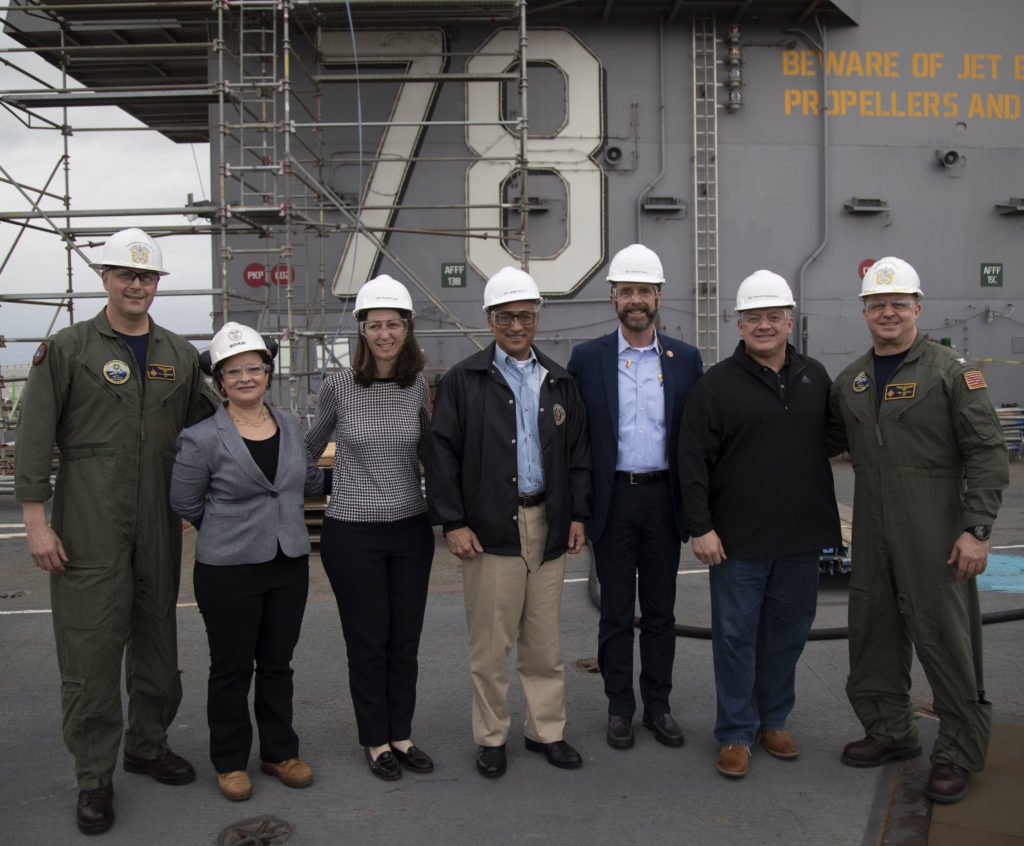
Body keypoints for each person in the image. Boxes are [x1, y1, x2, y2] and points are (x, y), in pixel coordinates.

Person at [13, 228, 218, 835]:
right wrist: (35, 523)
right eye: (125, 275)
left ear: (157, 285)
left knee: (157, 639)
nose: (136, 285)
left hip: (158, 519)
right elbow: (33, 437)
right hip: (86, 521)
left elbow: (212, 425)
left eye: (147, 276)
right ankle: (94, 775)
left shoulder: (178, 354)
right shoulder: (68, 349)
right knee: (91, 648)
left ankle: (146, 745)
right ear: (105, 278)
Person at [830, 257, 1009, 804]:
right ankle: (890, 732)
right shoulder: (851, 380)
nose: (887, 312)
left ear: (917, 308)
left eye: (897, 303)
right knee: (874, 631)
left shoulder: (953, 373)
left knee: (945, 639)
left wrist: (976, 529)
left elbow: (987, 451)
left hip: (936, 530)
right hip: (872, 528)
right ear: (864, 311)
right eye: (877, 304)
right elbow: (822, 442)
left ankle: (956, 750)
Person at [429, 266, 591, 778]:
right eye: (505, 317)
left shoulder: (560, 381)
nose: (516, 325)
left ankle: (547, 730)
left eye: (524, 315)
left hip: (547, 522)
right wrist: (453, 521)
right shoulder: (463, 380)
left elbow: (579, 453)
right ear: (489, 320)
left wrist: (578, 513)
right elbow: (441, 455)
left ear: (536, 319)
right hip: (490, 528)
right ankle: (492, 736)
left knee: (544, 642)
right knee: (492, 644)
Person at [678, 270, 840, 778]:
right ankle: (734, 732)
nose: (764, 325)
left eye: (774, 316)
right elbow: (692, 460)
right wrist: (700, 527)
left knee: (787, 635)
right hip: (738, 542)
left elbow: (836, 439)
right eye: (754, 317)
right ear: (739, 323)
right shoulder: (716, 385)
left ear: (789, 321)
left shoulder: (815, 377)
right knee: (735, 637)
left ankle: (773, 721)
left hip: (800, 538)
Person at [170, 322, 328, 802]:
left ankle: (280, 752)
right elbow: (185, 501)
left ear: (267, 372)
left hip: (287, 563)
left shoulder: (290, 425)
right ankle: (230, 760)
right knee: (232, 668)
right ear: (219, 380)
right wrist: (228, 528)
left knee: (278, 664)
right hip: (228, 570)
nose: (245, 378)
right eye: (233, 371)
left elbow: (306, 484)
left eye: (253, 368)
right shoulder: (201, 438)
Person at [566, 244, 702, 751]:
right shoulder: (587, 359)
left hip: (663, 501)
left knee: (662, 613)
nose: (636, 299)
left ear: (659, 297)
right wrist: (578, 509)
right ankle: (620, 707)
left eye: (645, 290)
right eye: (627, 291)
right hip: (614, 501)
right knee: (616, 612)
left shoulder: (685, 359)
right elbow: (576, 442)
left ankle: (658, 706)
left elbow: (694, 440)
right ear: (613, 298)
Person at [304, 275, 435, 782]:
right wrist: (299, 486)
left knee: (405, 639)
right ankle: (375, 740)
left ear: (407, 329)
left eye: (393, 325)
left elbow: (431, 453)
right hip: (352, 533)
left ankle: (401, 734)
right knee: (368, 640)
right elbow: (308, 447)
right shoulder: (338, 386)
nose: (384, 334)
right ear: (362, 330)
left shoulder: (419, 386)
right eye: (375, 325)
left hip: (409, 530)